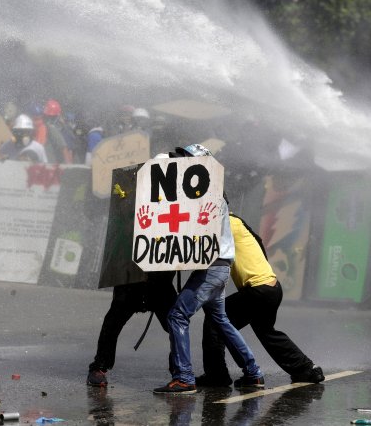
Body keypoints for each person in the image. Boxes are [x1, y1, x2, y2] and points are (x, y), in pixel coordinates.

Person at [153, 143, 264, 395]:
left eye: (188, 161)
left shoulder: (205, 194)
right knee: (220, 320)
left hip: (211, 267)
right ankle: (253, 372)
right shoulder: (212, 192)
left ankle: (183, 377)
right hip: (219, 267)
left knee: (177, 316)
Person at [196, 213, 324, 387]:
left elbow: (198, 245)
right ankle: (307, 370)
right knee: (266, 331)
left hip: (258, 290)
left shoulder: (226, 222)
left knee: (215, 321)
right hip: (271, 288)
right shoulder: (237, 222)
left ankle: (217, 376)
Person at [86, 271, 177, 387]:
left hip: (161, 282)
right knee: (112, 323)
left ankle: (180, 370)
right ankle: (99, 366)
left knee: (177, 324)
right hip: (130, 280)